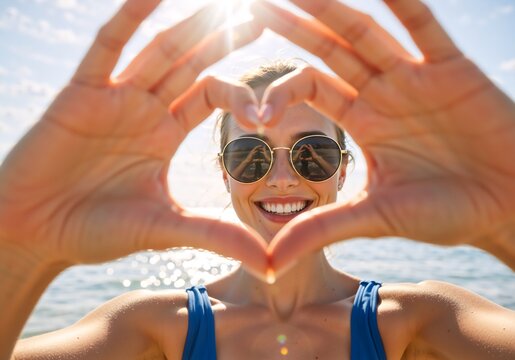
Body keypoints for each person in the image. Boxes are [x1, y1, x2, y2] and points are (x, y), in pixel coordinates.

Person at [1, 0, 515, 358]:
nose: (284, 178)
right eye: (251, 157)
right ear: (225, 173)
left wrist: (506, 216)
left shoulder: (415, 318)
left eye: (312, 154)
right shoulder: (154, 326)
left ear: (345, 168)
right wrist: (19, 247)